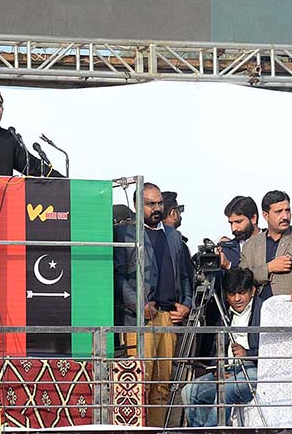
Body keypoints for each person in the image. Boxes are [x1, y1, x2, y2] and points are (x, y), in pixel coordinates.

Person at [113, 182, 192, 426]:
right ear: (137, 206)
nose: (157, 208)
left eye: (159, 203)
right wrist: (138, 305)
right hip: (140, 319)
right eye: (151, 204)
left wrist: (187, 304)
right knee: (139, 385)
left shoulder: (174, 236)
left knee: (162, 387)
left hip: (168, 318)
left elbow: (186, 276)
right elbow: (116, 275)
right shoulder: (124, 234)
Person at [181, 268, 263, 427]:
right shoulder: (222, 312)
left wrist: (248, 354)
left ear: (252, 291)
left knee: (224, 391)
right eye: (232, 294)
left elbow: (272, 349)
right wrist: (217, 368)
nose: (237, 299)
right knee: (189, 391)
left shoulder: (263, 310)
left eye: (242, 293)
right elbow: (213, 347)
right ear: (226, 295)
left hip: (253, 371)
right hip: (226, 370)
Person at [240, 190, 292, 303]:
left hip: (289, 306)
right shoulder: (250, 245)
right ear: (266, 215)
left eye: (287, 210)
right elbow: (243, 277)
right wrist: (269, 268)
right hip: (258, 309)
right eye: (278, 212)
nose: (285, 216)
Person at [220, 196, 261, 270]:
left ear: (253, 218)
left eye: (238, 222)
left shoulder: (271, 242)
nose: (234, 228)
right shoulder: (228, 249)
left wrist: (229, 265)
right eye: (231, 223)